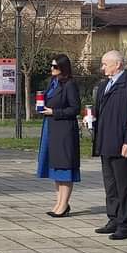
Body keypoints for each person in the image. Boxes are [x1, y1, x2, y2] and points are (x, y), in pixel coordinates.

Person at [91, 50, 127, 240]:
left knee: (124, 186)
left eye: (106, 64)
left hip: (121, 142)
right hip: (105, 141)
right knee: (110, 185)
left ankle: (124, 223)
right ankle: (112, 218)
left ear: (118, 64)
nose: (103, 67)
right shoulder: (105, 84)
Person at [39, 54, 81, 217]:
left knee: (65, 167)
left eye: (55, 66)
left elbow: (74, 108)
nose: (52, 69)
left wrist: (54, 112)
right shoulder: (52, 82)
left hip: (64, 130)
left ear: (63, 68)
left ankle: (64, 204)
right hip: (51, 128)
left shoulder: (69, 85)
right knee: (55, 167)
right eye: (51, 65)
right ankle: (58, 202)